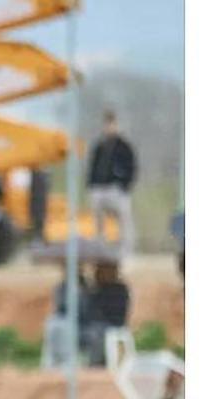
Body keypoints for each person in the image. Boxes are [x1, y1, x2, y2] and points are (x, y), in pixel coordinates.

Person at [87, 110, 137, 257]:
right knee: (98, 220)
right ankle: (100, 247)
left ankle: (126, 250)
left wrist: (125, 185)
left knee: (124, 219)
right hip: (100, 189)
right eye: (107, 124)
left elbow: (132, 168)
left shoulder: (124, 146)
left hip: (117, 189)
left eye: (112, 124)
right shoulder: (99, 146)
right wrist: (92, 184)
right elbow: (92, 167)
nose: (109, 127)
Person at [84, 261, 131, 366]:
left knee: (95, 332)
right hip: (99, 324)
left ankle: (95, 364)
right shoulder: (97, 289)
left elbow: (114, 311)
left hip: (112, 324)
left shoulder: (119, 289)